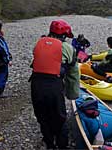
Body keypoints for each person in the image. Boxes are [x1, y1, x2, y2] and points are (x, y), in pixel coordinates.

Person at [30, 19, 80, 149]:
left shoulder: (39, 43)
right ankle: (62, 145)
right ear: (64, 35)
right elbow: (73, 74)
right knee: (59, 118)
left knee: (42, 117)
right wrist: (72, 94)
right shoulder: (68, 48)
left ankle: (49, 144)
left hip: (36, 85)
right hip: (53, 86)